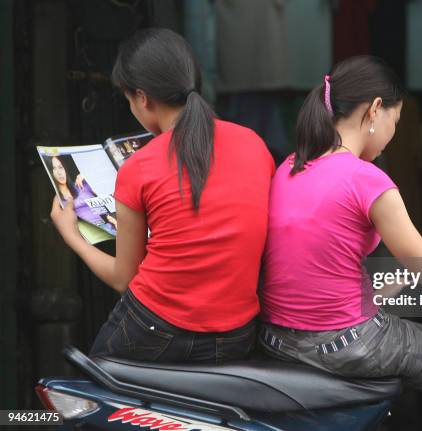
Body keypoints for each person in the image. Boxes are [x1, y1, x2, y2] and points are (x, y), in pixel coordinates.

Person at [50, 28, 275, 363]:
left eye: (128, 99)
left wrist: (72, 236)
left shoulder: (140, 167)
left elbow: (124, 279)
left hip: (158, 329)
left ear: (142, 98)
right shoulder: (254, 144)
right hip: (238, 334)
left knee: (86, 395)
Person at [258, 56, 422, 397]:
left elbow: (313, 272)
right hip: (344, 343)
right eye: (396, 120)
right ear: (376, 110)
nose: (393, 134)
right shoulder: (367, 180)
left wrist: (395, 282)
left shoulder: (289, 167)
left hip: (276, 339)